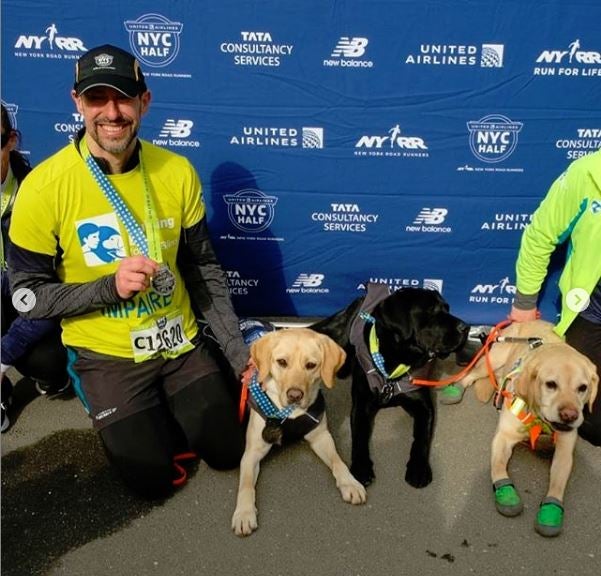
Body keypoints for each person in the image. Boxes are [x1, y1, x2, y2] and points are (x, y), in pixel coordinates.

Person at [8, 44, 251, 497]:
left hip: (178, 343)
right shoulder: (43, 187)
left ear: (145, 101)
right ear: (78, 102)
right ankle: (135, 413)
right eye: (97, 98)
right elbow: (28, 296)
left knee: (227, 452)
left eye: (124, 97)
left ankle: (175, 405)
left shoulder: (177, 170)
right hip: (106, 356)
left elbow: (203, 269)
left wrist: (239, 355)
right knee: (151, 482)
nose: (112, 112)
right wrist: (108, 288)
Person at [509, 149, 601, 446]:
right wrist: (525, 302)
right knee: (594, 425)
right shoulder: (586, 173)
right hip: (592, 312)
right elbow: (541, 235)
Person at [1, 103, 69, 432]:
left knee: (51, 360)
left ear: (11, 140)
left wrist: (4, 354)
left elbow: (51, 295)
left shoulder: (39, 193)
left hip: (29, 304)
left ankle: (46, 376)